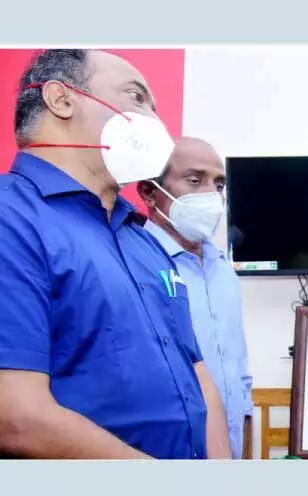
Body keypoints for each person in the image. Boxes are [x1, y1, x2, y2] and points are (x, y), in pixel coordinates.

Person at [0, 49, 230, 459]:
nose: (155, 122)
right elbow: (17, 417)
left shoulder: (143, 241)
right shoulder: (12, 218)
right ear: (61, 100)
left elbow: (198, 376)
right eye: (136, 97)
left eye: (155, 108)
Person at [137, 137, 253, 459]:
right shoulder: (134, 264)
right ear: (149, 192)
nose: (211, 195)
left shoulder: (223, 269)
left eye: (219, 184)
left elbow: (239, 375)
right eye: (194, 180)